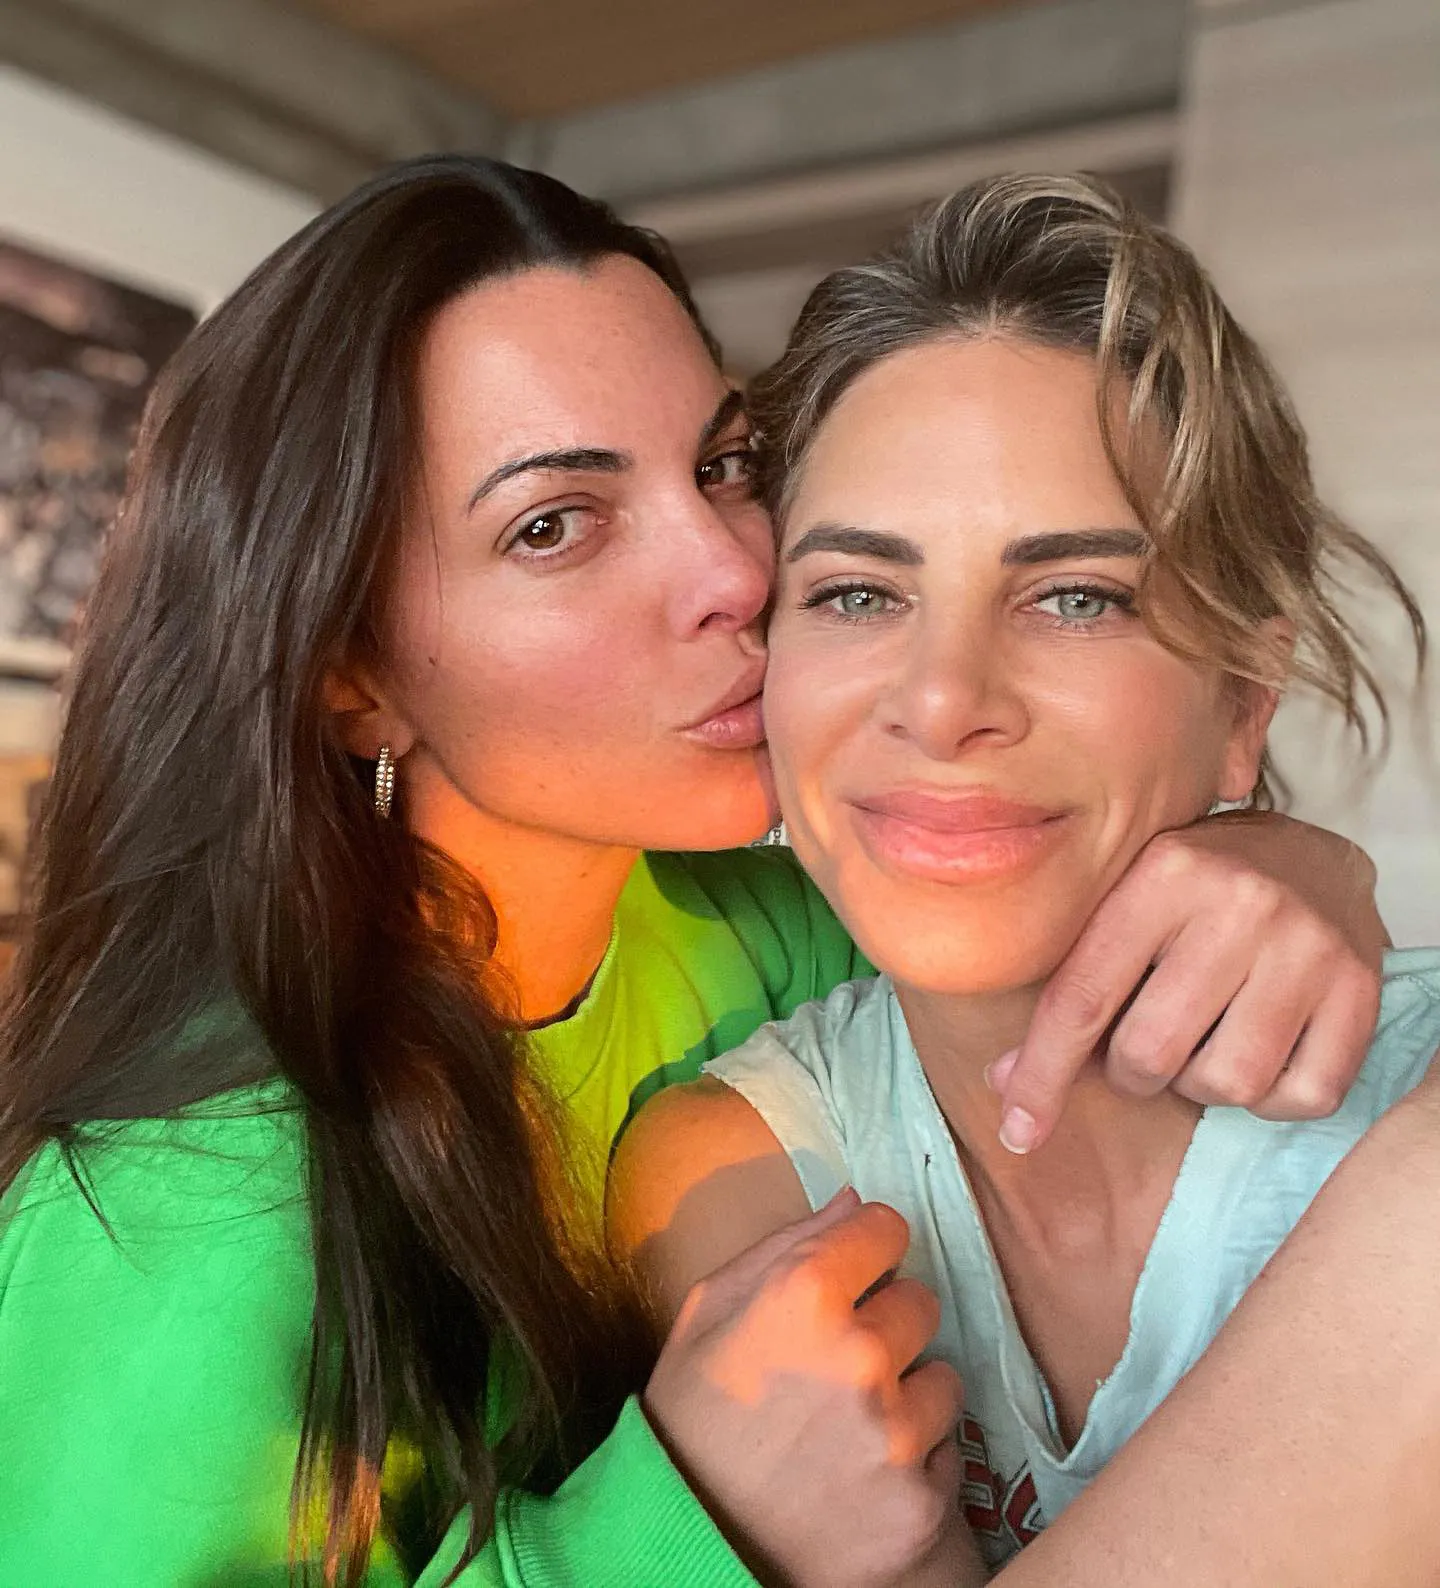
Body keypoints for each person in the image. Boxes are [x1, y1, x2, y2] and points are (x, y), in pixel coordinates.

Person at [0, 156, 1397, 1588]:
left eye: (724, 468)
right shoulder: (174, 1213)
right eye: (555, 525)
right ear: (354, 680)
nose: (737, 572)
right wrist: (675, 1522)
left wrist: (1275, 855)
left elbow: (1026, 881)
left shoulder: (764, 929)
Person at [610, 173, 1436, 1575]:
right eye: (858, 593)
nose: (944, 703)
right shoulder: (733, 1168)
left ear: (1245, 698)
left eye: (1075, 598)